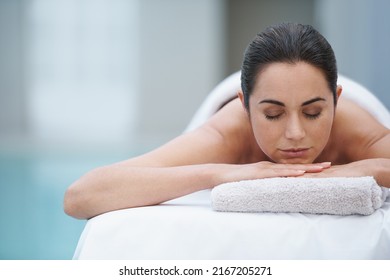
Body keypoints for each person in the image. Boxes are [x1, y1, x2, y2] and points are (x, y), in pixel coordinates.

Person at [64, 23, 390, 219]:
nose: (295, 133)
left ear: (336, 100)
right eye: (273, 115)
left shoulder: (355, 130)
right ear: (245, 106)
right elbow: (81, 197)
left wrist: (361, 169)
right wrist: (221, 173)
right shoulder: (226, 134)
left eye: (313, 113)